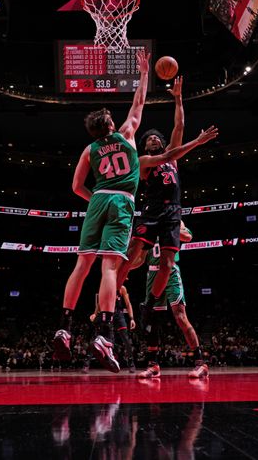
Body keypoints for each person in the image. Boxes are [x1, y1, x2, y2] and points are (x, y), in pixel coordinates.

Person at [52, 51, 218, 373]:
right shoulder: (129, 139)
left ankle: (64, 326)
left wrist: (95, 201)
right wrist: (143, 74)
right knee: (112, 268)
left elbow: (75, 186)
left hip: (100, 198)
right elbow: (139, 104)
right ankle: (104, 332)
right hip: (125, 202)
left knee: (83, 263)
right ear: (111, 124)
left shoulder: (90, 148)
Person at [116, 76, 186, 306]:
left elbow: (179, 126)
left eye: (157, 137)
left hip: (173, 212)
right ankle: (112, 297)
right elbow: (165, 155)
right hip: (153, 209)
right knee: (132, 254)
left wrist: (178, 100)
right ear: (145, 146)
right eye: (149, 138)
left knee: (167, 265)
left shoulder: (172, 159)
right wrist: (199, 141)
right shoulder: (143, 160)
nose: (154, 138)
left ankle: (151, 305)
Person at [137, 221, 208, 379]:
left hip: (170, 270)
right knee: (152, 320)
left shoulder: (173, 218)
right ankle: (153, 365)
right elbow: (140, 259)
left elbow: (188, 236)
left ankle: (200, 363)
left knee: (180, 316)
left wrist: (168, 227)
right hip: (152, 273)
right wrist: (123, 266)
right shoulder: (146, 223)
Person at [84, 287, 137, 373]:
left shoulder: (122, 288)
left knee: (126, 339)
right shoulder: (106, 285)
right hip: (107, 313)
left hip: (118, 313)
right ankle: (86, 364)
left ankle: (131, 363)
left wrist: (132, 318)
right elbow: (100, 302)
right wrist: (95, 313)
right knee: (96, 337)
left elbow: (128, 304)